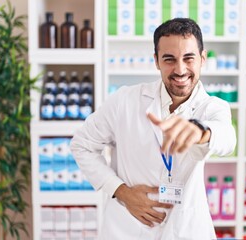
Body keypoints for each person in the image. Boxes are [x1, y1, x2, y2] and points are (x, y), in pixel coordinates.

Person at [70, 18, 236, 240]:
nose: (180, 69)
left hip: (186, 229)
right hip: (127, 228)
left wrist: (200, 132)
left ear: (202, 59)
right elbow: (82, 145)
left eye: (189, 58)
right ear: (156, 61)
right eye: (169, 59)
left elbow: (227, 138)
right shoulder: (125, 101)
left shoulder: (214, 107)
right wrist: (121, 191)